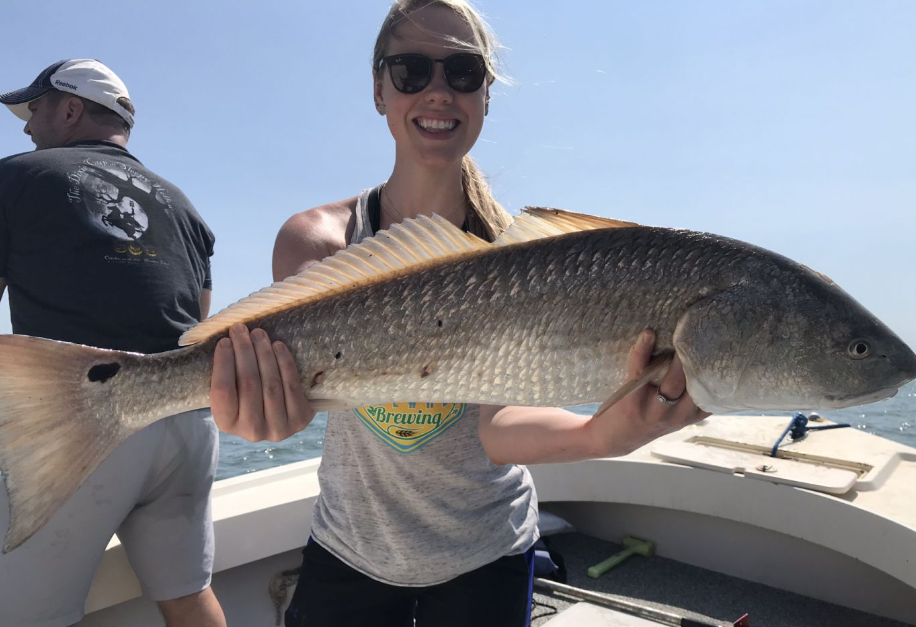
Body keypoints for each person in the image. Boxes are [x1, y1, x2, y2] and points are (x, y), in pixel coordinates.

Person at [209, 1, 708, 625]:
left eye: (463, 72)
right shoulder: (317, 243)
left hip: (488, 552)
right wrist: (261, 414)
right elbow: (296, 399)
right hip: (348, 549)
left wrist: (604, 434)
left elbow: (494, 425)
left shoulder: (525, 259)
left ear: (487, 93)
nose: (438, 91)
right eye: (411, 70)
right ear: (378, 88)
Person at [0, 59, 226, 627]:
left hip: (81, 419)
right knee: (187, 594)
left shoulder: (16, 177)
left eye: (36, 110)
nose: (27, 128)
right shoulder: (185, 208)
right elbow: (197, 327)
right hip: (188, 420)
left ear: (71, 108)